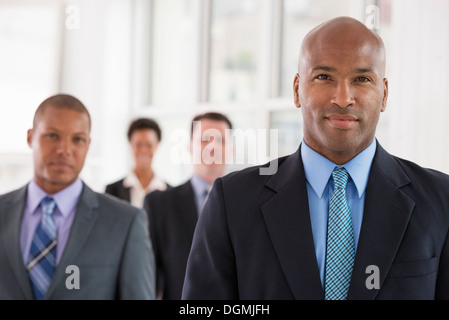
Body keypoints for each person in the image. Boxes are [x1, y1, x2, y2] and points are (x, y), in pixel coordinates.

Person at [181, 16, 449, 300]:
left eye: (362, 79)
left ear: (384, 95)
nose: (343, 98)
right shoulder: (233, 202)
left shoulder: (440, 200)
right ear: (297, 89)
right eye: (324, 77)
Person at [0, 94, 155, 299]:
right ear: (30, 137)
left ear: (88, 145)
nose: (64, 150)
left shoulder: (125, 223)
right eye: (52, 136)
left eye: (78, 139)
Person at [143, 112, 233, 300]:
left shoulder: (249, 206)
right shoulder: (159, 205)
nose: (212, 147)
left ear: (230, 149)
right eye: (205, 140)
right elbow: (148, 273)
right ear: (190, 146)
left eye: (221, 141)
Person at [105, 117, 169, 208]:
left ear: (157, 145)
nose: (143, 150)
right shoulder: (112, 191)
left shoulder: (169, 192)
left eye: (149, 145)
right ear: (130, 144)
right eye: (138, 145)